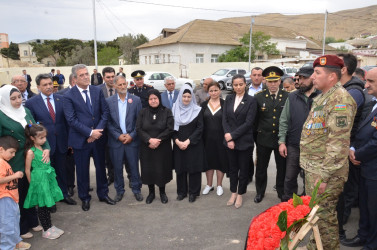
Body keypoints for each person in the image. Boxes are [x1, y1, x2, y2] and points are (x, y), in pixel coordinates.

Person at [300, 55, 356, 249]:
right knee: (316, 214)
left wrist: (323, 177)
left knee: (324, 217)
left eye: (317, 73)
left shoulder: (340, 100)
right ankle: (316, 246)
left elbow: (338, 144)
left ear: (332, 76)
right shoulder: (324, 96)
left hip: (326, 172)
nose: (313, 77)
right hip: (316, 168)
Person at [63, 64, 115, 212]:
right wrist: (90, 133)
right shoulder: (68, 96)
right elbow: (71, 120)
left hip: (98, 139)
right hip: (81, 140)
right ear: (75, 78)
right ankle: (85, 198)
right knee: (82, 171)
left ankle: (103, 194)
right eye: (82, 75)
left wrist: (96, 132)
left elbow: (105, 112)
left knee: (100, 168)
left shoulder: (97, 90)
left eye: (87, 74)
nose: (86, 77)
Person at [0, 85, 49, 239]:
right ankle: (21, 227)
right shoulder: (1, 115)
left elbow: (36, 131)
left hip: (31, 158)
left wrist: (46, 147)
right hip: (13, 161)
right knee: (18, 194)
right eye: (13, 99)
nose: (17, 101)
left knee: (31, 191)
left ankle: (33, 221)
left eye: (19, 97)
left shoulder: (25, 111)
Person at [25, 74, 76, 206]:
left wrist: (70, 142)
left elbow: (67, 122)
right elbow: (32, 126)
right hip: (43, 145)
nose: (49, 87)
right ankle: (50, 200)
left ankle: (63, 194)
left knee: (61, 170)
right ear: (38, 87)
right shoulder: (31, 102)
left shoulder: (62, 99)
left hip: (62, 143)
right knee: (47, 173)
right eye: (45, 85)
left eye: (50, 84)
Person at [341, 67, 377, 249]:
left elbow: (376, 142)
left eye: (371, 81)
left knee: (373, 210)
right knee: (364, 206)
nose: (366, 84)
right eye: (366, 80)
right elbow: (363, 129)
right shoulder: (373, 103)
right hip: (365, 166)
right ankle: (363, 236)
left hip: (373, 169)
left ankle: (371, 243)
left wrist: (357, 153)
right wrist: (353, 147)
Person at [278, 67, 320, 202]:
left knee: (311, 179)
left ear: (313, 78)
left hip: (315, 148)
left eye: (304, 78)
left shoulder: (322, 96)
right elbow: (284, 120)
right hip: (294, 145)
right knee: (290, 178)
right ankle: (289, 205)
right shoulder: (292, 96)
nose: (300, 81)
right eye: (299, 78)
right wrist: (282, 142)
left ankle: (308, 206)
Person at [336, 53, 365, 234]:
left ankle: (342, 226)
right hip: (346, 145)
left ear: (343, 69)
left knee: (347, 189)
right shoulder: (345, 88)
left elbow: (341, 123)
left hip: (348, 146)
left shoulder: (353, 91)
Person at [254, 66, 288, 203]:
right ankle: (259, 192)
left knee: (282, 168)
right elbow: (255, 120)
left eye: (275, 81)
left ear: (280, 81)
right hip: (263, 139)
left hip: (281, 140)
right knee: (261, 168)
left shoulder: (287, 97)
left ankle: (281, 192)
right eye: (270, 81)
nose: (273, 84)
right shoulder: (258, 97)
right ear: (265, 82)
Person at [106, 75, 143, 202]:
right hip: (116, 141)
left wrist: (131, 135)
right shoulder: (109, 101)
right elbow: (108, 122)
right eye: (120, 85)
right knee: (117, 168)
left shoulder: (136, 100)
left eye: (124, 84)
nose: (122, 87)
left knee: (133, 167)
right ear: (115, 86)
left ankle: (137, 190)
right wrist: (118, 136)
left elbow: (139, 121)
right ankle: (119, 191)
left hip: (132, 140)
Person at [23, 124, 64, 240]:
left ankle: (50, 226)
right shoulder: (31, 152)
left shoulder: (43, 148)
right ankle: (46, 230)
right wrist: (33, 184)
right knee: (42, 206)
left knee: (46, 204)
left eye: (45, 137)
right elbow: (27, 170)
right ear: (32, 138)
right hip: (39, 180)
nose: (45, 140)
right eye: (41, 138)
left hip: (47, 178)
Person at [223, 74, 257, 208]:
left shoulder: (251, 101)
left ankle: (240, 194)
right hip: (229, 141)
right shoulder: (229, 98)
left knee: (243, 170)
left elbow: (249, 123)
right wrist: (227, 135)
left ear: (245, 84)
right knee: (232, 169)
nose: (238, 87)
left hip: (244, 141)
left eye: (240, 84)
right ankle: (233, 192)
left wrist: (232, 136)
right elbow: (224, 119)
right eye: (235, 85)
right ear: (232, 85)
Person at [136, 89, 174, 204]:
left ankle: (162, 193)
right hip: (147, 147)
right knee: (149, 170)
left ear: (159, 99)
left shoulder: (166, 111)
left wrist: (158, 140)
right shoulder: (143, 112)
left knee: (161, 169)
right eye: (151, 99)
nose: (153, 101)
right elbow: (138, 128)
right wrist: (149, 140)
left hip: (162, 147)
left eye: (155, 98)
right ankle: (151, 193)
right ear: (148, 100)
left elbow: (170, 128)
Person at [172, 84, 204, 203]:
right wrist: (177, 141)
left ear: (192, 98)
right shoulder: (175, 108)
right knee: (180, 169)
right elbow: (171, 128)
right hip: (178, 144)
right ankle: (181, 192)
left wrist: (188, 141)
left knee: (194, 169)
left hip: (193, 144)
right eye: (184, 96)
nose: (186, 99)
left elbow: (200, 128)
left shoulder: (197, 110)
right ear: (180, 96)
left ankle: (193, 193)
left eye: (189, 96)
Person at [0, 136, 31, 250]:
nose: (13, 155)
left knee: (14, 220)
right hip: (4, 198)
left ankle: (16, 242)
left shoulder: (4, 162)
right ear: (1, 149)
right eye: (11, 152)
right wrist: (15, 175)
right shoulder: (0, 163)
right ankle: (7, 247)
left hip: (12, 197)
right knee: (7, 224)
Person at [201, 80, 228, 196]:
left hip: (221, 139)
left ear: (219, 90)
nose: (213, 92)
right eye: (211, 91)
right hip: (207, 139)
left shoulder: (225, 104)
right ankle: (209, 185)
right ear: (208, 92)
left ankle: (220, 185)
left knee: (220, 161)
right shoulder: (203, 105)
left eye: (216, 90)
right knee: (209, 162)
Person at [58, 74, 76, 196]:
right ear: (73, 80)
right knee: (68, 163)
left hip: (84, 133)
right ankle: (69, 186)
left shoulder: (88, 92)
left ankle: (82, 183)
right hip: (68, 134)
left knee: (81, 162)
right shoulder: (61, 94)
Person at [99, 67, 117, 186]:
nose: (111, 79)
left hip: (119, 128)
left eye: (112, 76)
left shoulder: (121, 87)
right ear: (103, 78)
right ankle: (111, 176)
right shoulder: (98, 90)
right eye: (108, 77)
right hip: (104, 129)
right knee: (107, 154)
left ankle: (130, 177)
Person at [247, 67, 263, 183]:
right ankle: (248, 176)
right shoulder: (245, 89)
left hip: (262, 127)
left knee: (261, 154)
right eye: (254, 75)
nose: (256, 77)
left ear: (262, 77)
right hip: (248, 127)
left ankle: (260, 177)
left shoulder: (267, 89)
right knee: (247, 152)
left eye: (259, 75)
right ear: (251, 76)